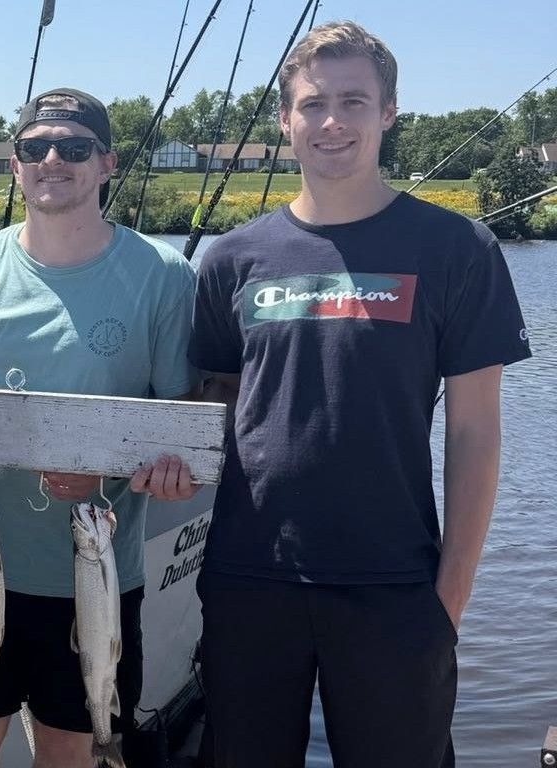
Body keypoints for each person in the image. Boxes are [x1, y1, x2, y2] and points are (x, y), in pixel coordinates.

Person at [189, 22, 530, 768]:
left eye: (354, 101)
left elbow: (475, 432)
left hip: (396, 583)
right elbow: (215, 407)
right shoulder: (233, 258)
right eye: (313, 104)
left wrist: (449, 599)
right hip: (250, 577)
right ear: (286, 120)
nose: (332, 121)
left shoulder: (456, 249)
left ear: (389, 112)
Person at [0, 88, 200, 768]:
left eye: (74, 147)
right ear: (15, 165)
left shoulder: (163, 275)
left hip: (95, 576)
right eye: (35, 147)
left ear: (106, 164)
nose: (53, 160)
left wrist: (109, 469)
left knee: (71, 751)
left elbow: (180, 427)